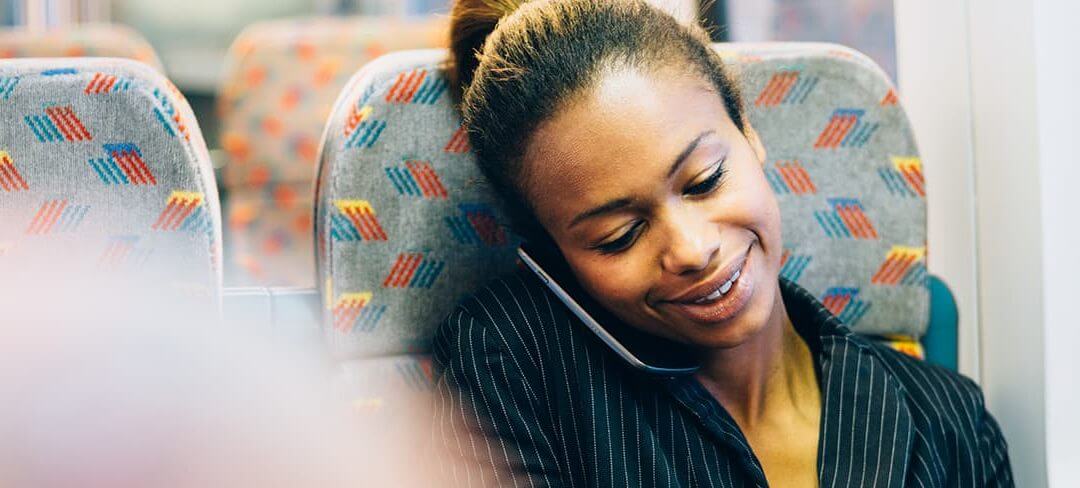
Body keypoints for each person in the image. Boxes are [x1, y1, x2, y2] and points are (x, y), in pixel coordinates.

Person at [432, 0, 1013, 486]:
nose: (690, 249)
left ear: (749, 134)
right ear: (553, 257)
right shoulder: (512, 356)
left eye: (706, 180)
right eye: (619, 236)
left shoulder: (948, 419)